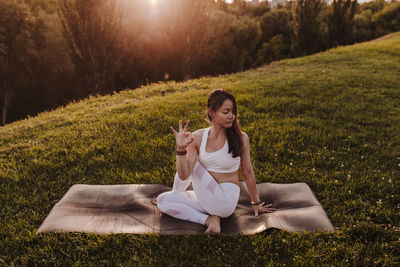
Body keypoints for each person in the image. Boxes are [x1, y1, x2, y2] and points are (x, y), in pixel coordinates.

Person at [153, 89, 275, 234]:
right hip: (207, 198)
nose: (232, 116)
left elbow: (247, 171)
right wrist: (180, 149)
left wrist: (255, 202)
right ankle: (209, 220)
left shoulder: (241, 138)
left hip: (225, 202)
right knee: (163, 201)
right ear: (211, 113)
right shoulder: (197, 138)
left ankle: (185, 199)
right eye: (226, 112)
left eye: (233, 111)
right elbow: (184, 176)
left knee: (194, 164)